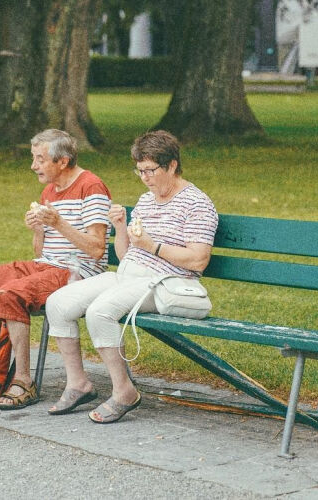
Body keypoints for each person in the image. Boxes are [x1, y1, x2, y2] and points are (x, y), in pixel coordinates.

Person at [45, 130, 218, 422]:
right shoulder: (146, 200)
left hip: (164, 280)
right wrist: (121, 227)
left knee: (100, 311)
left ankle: (124, 391)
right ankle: (78, 383)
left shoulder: (196, 203)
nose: (145, 178)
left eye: (150, 170)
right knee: (58, 303)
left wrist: (154, 246)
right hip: (128, 274)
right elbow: (127, 255)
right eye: (139, 171)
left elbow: (198, 260)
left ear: (172, 165)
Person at [0, 129, 112, 409]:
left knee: (10, 294)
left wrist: (59, 222)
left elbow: (97, 249)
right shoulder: (50, 189)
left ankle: (23, 381)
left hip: (79, 272)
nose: (33, 165)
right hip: (45, 266)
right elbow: (41, 253)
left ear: (62, 161)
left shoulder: (91, 186)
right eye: (33, 158)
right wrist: (39, 229)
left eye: (39, 159)